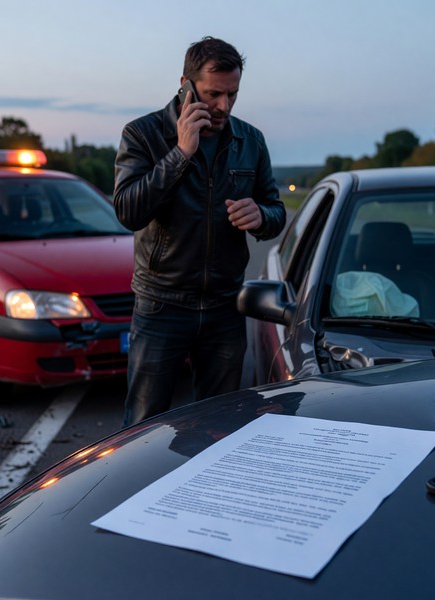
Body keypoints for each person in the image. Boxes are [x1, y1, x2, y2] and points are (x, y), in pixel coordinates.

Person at [114, 36, 286, 426]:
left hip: (225, 306)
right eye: (213, 94)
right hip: (161, 305)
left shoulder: (250, 140)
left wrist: (261, 215)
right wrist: (181, 153)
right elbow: (128, 211)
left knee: (221, 424)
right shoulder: (142, 134)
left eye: (232, 94)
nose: (224, 106)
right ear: (185, 86)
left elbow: (276, 211)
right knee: (142, 427)